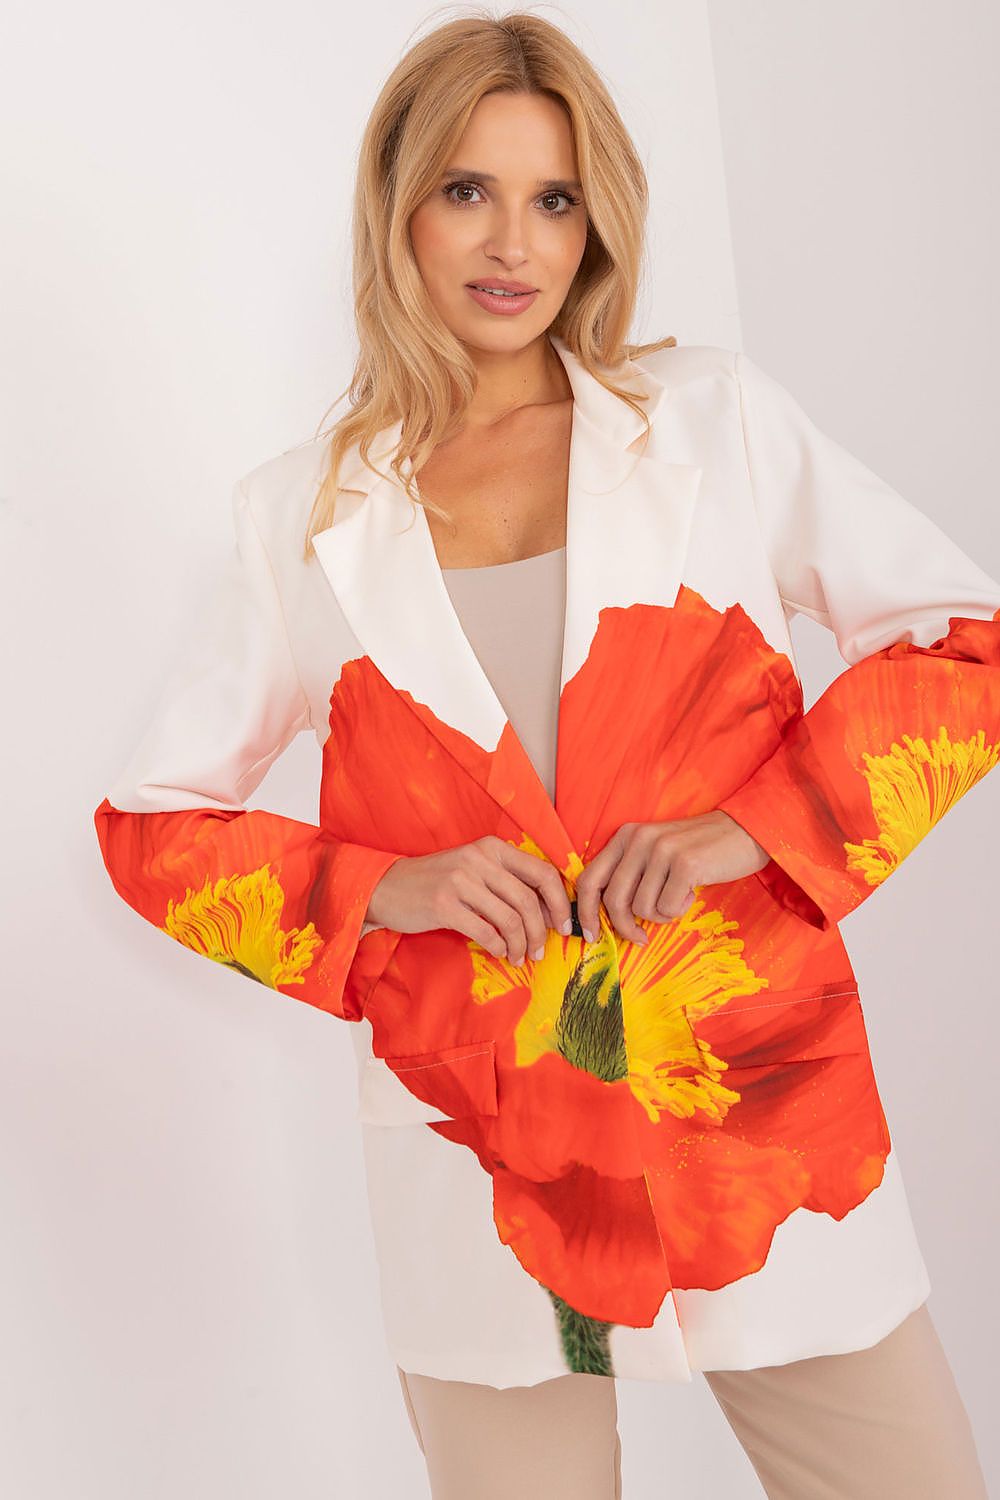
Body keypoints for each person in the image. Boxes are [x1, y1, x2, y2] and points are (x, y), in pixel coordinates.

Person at [93, 11, 994, 1498]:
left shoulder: (709, 421)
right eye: (468, 190)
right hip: (487, 1164)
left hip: (760, 1118)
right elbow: (151, 826)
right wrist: (387, 888)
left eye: (555, 198)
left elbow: (965, 642)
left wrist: (752, 826)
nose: (513, 243)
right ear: (398, 208)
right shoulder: (300, 517)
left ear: (597, 225)